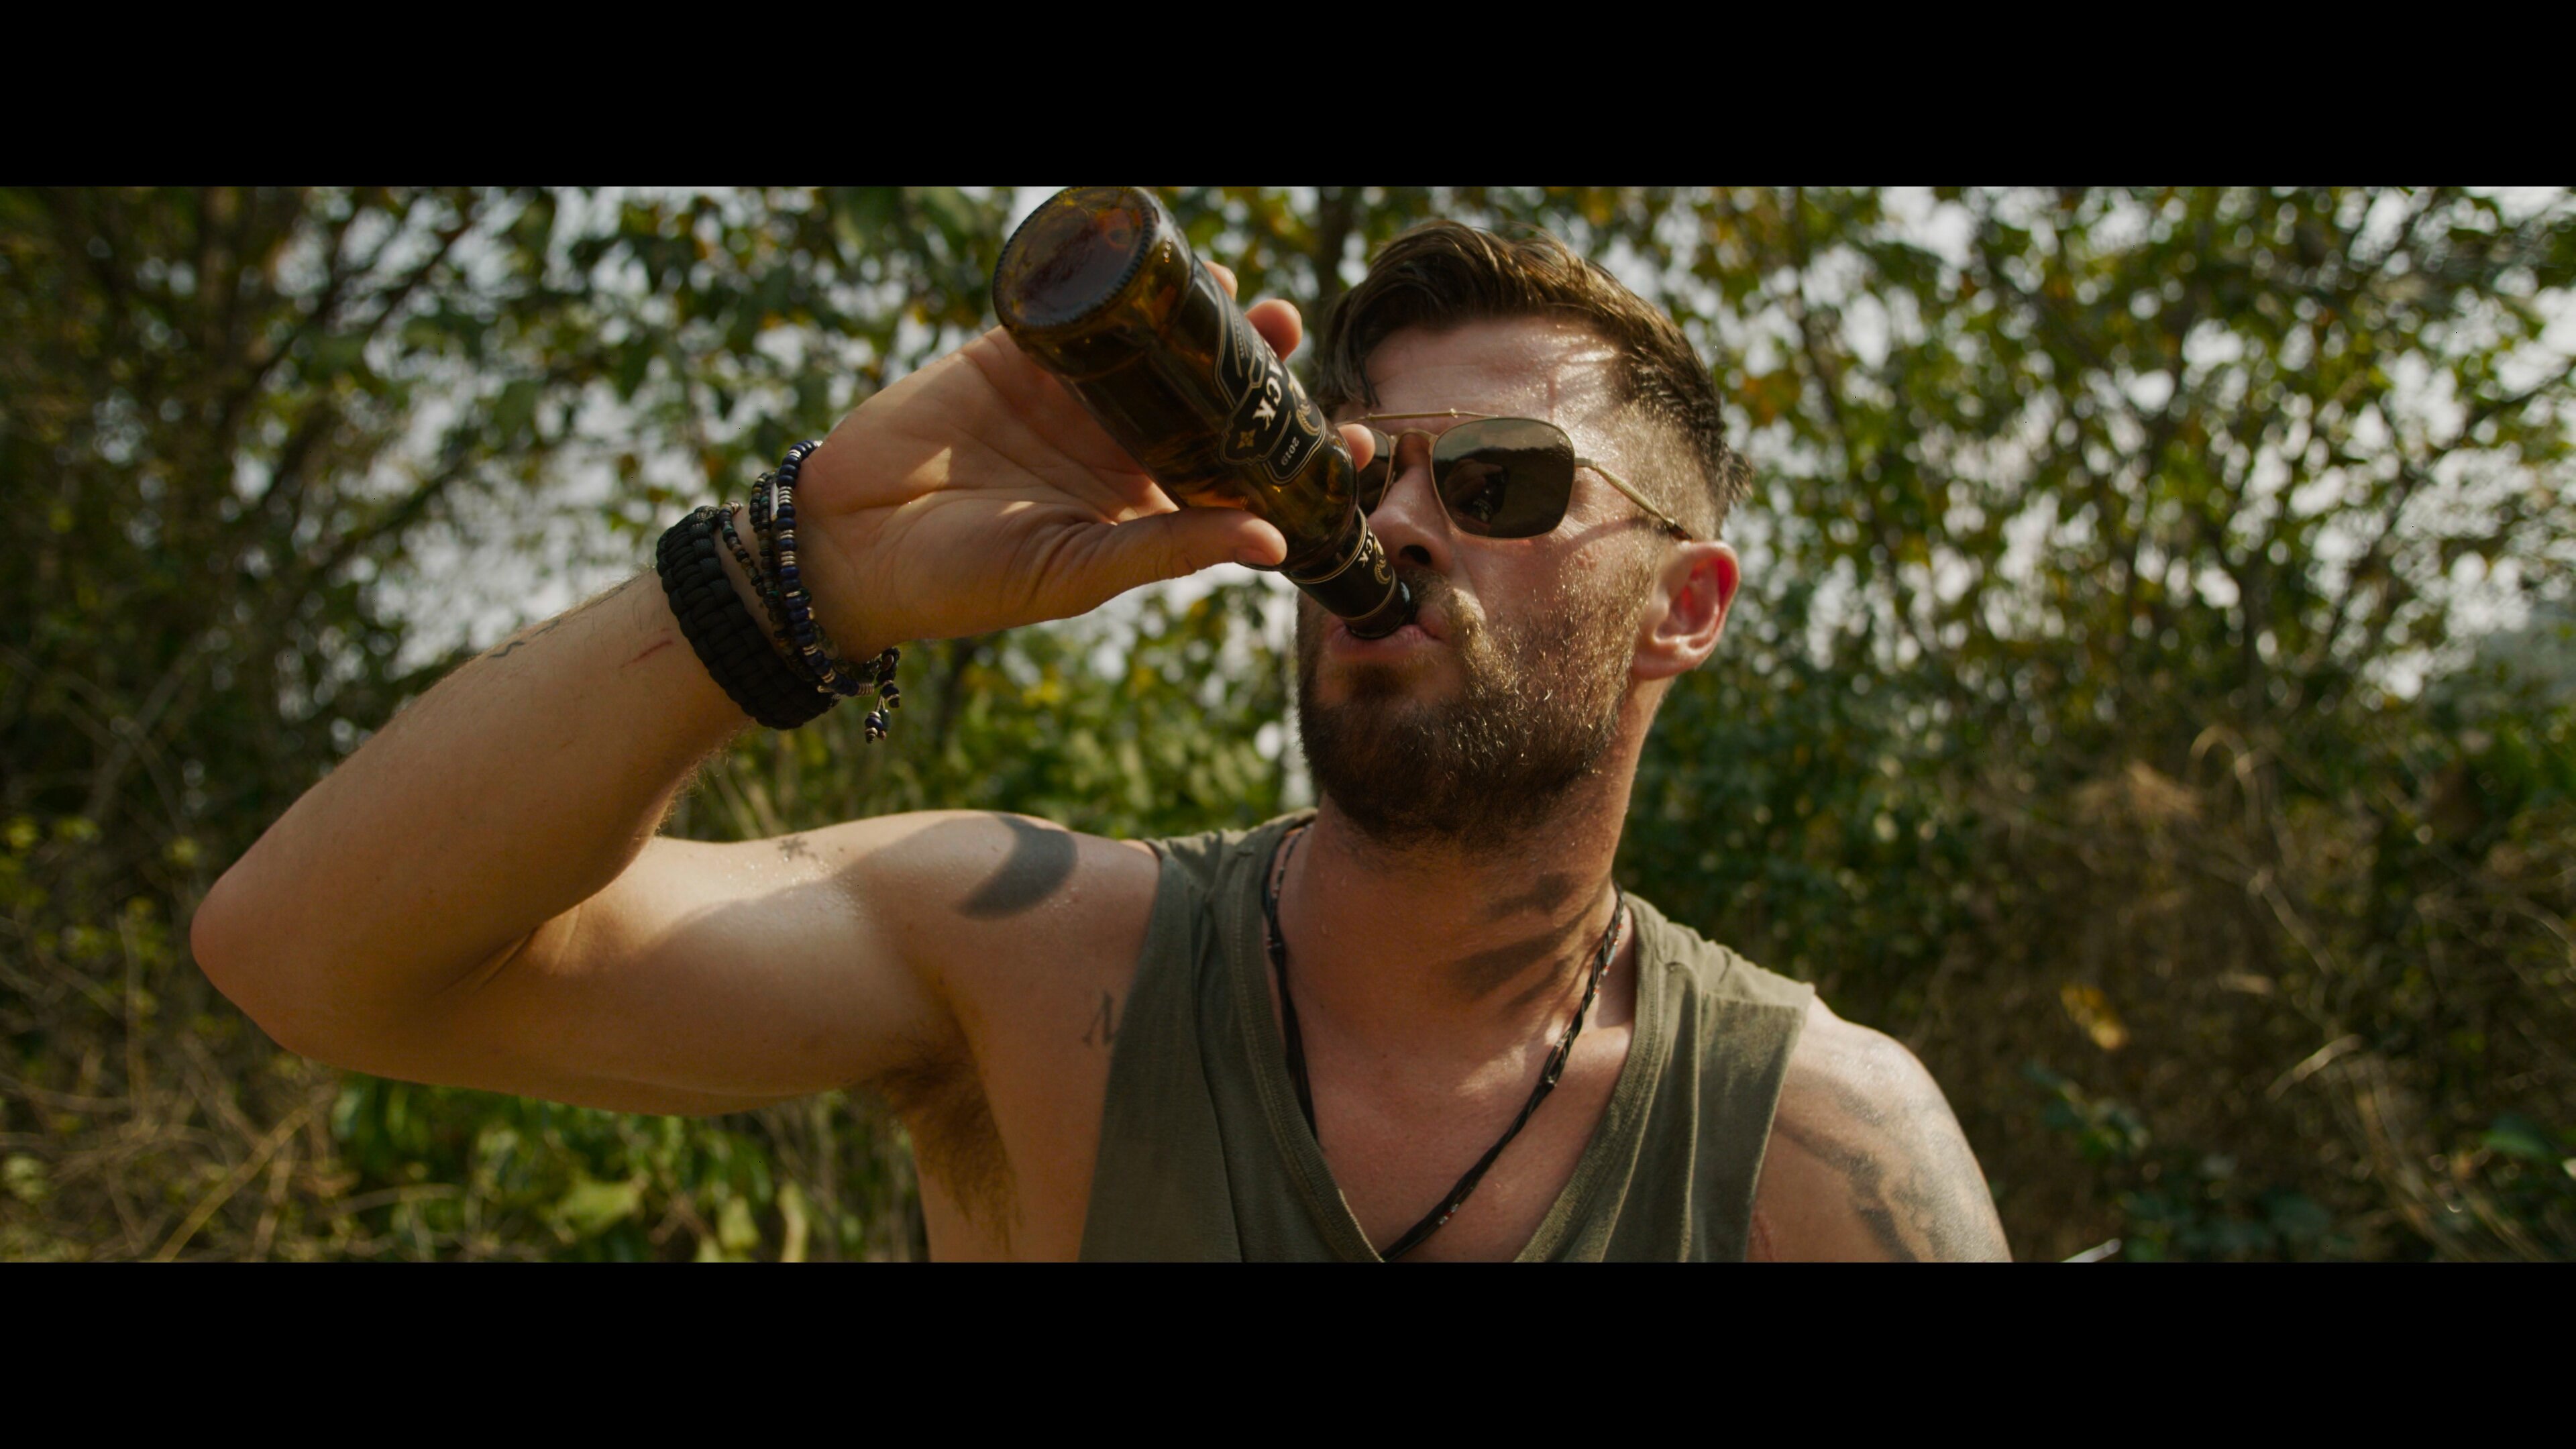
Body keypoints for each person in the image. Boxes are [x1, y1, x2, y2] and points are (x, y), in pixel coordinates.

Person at [193, 219, 2012, 1262]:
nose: (1402, 521)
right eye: (1363, 468)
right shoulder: (1033, 958)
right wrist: (798, 573)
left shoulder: (1811, 1145)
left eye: (1504, 479)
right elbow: (303, 957)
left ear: (1686, 604)